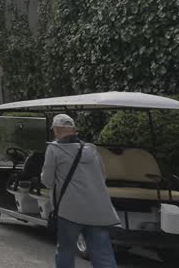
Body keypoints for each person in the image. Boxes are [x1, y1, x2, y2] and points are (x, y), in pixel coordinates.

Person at [42, 114, 120, 268]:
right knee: (103, 254)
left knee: (66, 251)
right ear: (74, 130)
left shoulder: (54, 149)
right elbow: (102, 177)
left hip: (69, 211)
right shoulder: (91, 149)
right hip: (97, 210)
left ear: (56, 130)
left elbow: (47, 181)